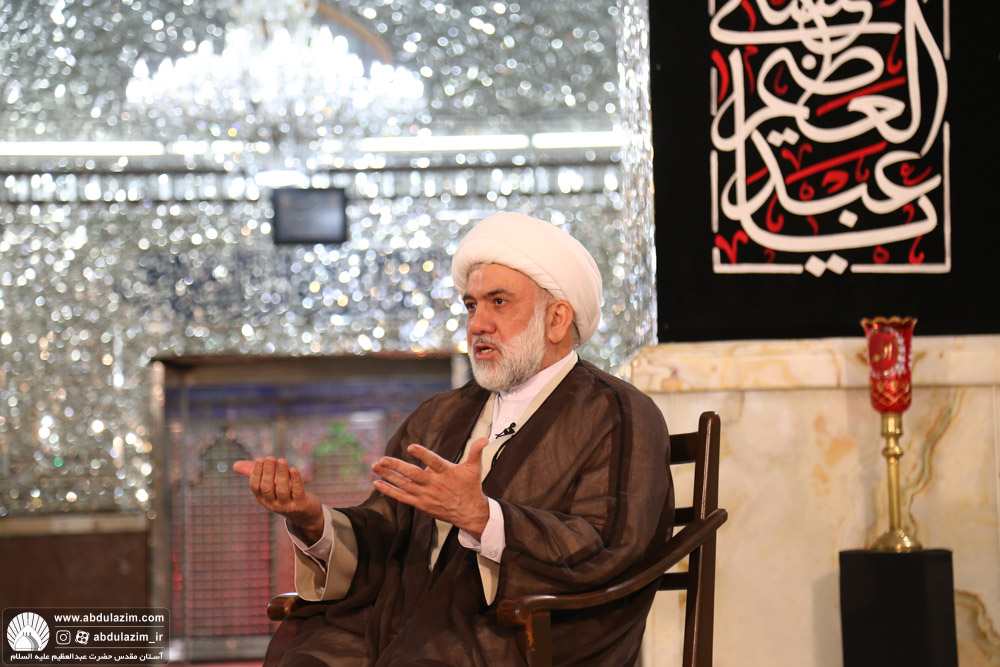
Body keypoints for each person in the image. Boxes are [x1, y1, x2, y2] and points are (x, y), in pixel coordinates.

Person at [234, 212, 673, 666]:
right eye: (471, 306)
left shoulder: (618, 414)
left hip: (514, 633)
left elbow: (609, 545)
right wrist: (313, 521)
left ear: (557, 319)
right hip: (403, 622)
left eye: (498, 302)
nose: (478, 323)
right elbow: (388, 534)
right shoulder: (440, 415)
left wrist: (484, 518)